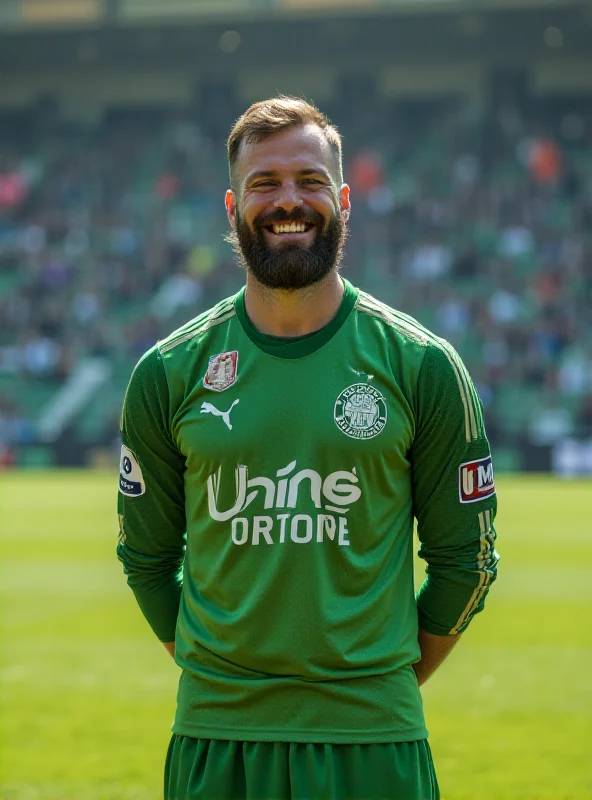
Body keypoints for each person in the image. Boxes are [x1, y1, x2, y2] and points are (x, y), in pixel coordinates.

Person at [117, 96, 499, 800]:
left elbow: (466, 562)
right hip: (215, 745)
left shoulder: (422, 365)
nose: (288, 200)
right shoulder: (168, 373)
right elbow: (144, 559)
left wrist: (376, 683)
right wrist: (220, 680)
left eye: (310, 181)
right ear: (232, 205)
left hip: (375, 746)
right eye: (265, 183)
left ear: (343, 199)